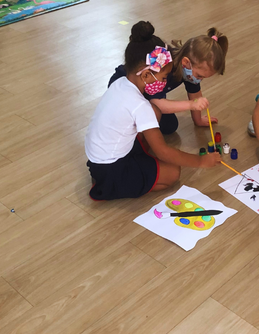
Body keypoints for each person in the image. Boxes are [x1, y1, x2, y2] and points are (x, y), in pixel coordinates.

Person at [85, 21, 220, 200]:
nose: (164, 83)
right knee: (172, 173)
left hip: (97, 160)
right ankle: (114, 185)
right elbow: (163, 151)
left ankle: (133, 168)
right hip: (111, 169)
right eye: (163, 78)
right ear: (146, 75)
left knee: (156, 114)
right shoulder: (140, 105)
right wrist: (201, 161)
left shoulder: (120, 83)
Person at [108, 27, 229, 135]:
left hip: (149, 93)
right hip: (125, 86)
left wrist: (198, 120)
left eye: (203, 78)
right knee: (143, 120)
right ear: (186, 62)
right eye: (199, 75)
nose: (199, 79)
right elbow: (158, 103)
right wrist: (191, 105)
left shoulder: (189, 70)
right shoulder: (164, 66)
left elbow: (195, 94)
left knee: (169, 126)